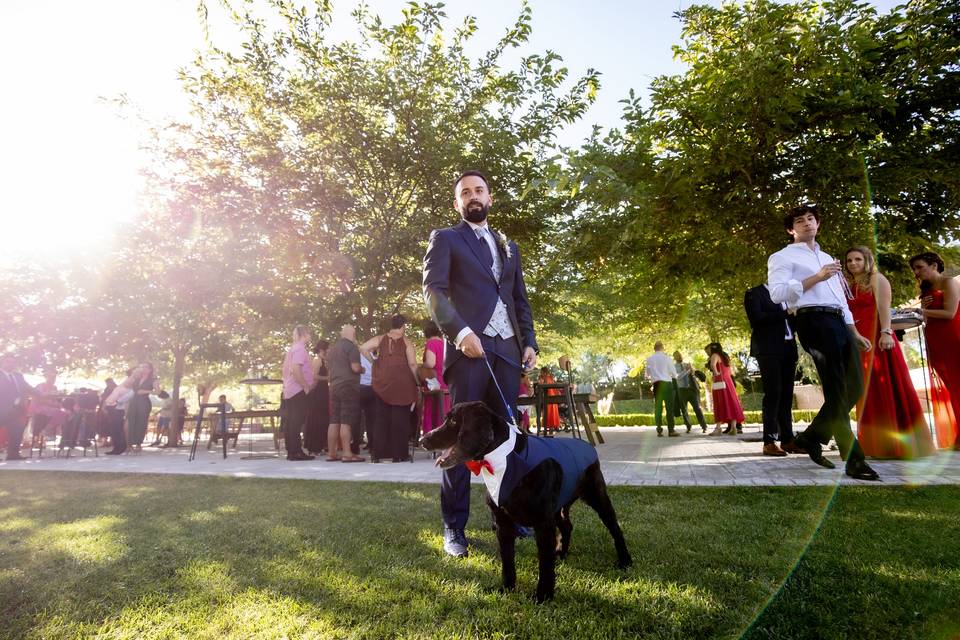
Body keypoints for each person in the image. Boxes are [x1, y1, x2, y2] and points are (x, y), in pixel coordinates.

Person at [423, 169, 538, 558]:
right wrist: (459, 333)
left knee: (506, 440)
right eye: (465, 193)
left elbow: (519, 301)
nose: (473, 196)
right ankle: (454, 527)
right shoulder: (446, 239)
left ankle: (510, 514)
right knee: (461, 440)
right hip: (469, 351)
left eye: (479, 190)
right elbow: (434, 291)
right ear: (457, 203)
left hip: (506, 352)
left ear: (490, 197)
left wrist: (529, 343)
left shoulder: (510, 246)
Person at [768, 203, 879, 480]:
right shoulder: (782, 257)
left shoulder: (827, 256)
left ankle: (811, 437)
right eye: (800, 220)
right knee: (836, 389)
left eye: (811, 218)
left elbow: (840, 298)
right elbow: (777, 293)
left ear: (818, 224)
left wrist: (853, 331)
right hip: (813, 321)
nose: (807, 223)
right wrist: (816, 277)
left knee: (854, 386)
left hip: (839, 322)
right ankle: (854, 460)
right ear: (791, 229)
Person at [845, 246, 933, 458]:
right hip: (859, 341)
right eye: (849, 261)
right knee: (867, 389)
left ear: (867, 260)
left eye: (858, 259)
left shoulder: (877, 279)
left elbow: (884, 308)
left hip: (878, 336)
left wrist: (885, 333)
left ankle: (899, 444)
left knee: (886, 387)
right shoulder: (850, 285)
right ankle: (876, 444)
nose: (853, 263)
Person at [744, 283, 803, 456]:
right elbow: (756, 318)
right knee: (773, 394)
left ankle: (787, 440)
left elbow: (792, 321)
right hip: (768, 349)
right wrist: (786, 312)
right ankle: (769, 441)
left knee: (786, 395)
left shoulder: (788, 295)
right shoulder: (754, 293)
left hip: (788, 348)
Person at [910, 251, 960, 450]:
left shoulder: (948, 283)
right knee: (951, 389)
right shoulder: (926, 290)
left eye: (919, 267)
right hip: (935, 341)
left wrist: (921, 310)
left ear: (934, 265)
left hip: (954, 338)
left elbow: (949, 313)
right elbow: (927, 319)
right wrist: (922, 311)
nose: (916, 272)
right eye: (914, 269)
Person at [360, 314, 420, 463]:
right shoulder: (406, 342)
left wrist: (375, 362)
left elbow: (362, 347)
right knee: (400, 419)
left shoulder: (380, 339)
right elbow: (413, 364)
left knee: (381, 418)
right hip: (402, 384)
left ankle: (377, 454)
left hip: (383, 383)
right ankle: (399, 455)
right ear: (403, 326)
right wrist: (418, 382)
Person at [327, 324, 365, 462]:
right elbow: (355, 368)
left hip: (334, 387)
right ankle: (347, 453)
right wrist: (362, 369)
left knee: (334, 420)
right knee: (346, 420)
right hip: (348, 386)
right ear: (353, 335)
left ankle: (331, 453)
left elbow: (329, 371)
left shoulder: (332, 350)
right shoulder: (352, 347)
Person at [281, 325, 316, 461]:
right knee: (296, 421)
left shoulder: (292, 349)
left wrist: (285, 387)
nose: (310, 336)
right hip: (298, 390)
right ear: (304, 334)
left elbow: (285, 370)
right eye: (309, 333)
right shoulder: (300, 348)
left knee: (291, 421)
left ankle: (291, 451)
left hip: (290, 390)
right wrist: (306, 387)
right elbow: (296, 369)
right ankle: (296, 452)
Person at [0, 352, 38, 461]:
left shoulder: (18, 376)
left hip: (16, 410)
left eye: (13, 362)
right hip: (1, 409)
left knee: (17, 431)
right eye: (8, 362)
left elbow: (28, 388)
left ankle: (13, 454)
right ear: (2, 362)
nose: (11, 364)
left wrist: (44, 395)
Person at [704, 343, 745, 436]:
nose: (708, 352)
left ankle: (718, 428)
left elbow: (713, 365)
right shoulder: (724, 357)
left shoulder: (715, 355)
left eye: (708, 350)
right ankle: (734, 427)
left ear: (712, 349)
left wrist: (716, 373)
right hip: (728, 381)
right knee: (731, 403)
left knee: (720, 403)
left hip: (720, 382)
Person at [421, 320, 451, 435]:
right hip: (445, 381)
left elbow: (431, 363)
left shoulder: (431, 343)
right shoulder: (445, 344)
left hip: (434, 382)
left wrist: (421, 365)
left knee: (431, 410)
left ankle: (430, 438)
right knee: (445, 411)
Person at [645, 342, 679, 437]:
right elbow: (674, 373)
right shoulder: (667, 358)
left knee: (658, 408)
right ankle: (671, 430)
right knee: (669, 408)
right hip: (667, 384)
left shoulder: (649, 359)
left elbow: (647, 374)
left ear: (654, 349)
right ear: (662, 348)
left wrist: (654, 376)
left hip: (657, 385)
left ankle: (659, 430)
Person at [304, 339, 330, 456]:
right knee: (317, 419)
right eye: (327, 348)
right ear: (322, 349)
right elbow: (313, 376)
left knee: (323, 419)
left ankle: (321, 444)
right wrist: (327, 378)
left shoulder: (324, 361)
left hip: (324, 391)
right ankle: (314, 446)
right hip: (318, 392)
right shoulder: (317, 360)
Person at [673, 351, 708, 433]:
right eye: (677, 356)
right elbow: (678, 377)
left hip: (692, 390)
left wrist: (692, 370)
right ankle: (688, 426)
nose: (680, 356)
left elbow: (693, 374)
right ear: (674, 357)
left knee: (697, 408)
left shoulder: (687, 364)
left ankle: (704, 426)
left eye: (680, 355)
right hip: (682, 390)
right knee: (684, 410)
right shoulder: (673, 367)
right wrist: (686, 371)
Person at [126, 363, 159, 451]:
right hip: (133, 401)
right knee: (131, 421)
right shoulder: (136, 377)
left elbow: (157, 391)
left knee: (141, 422)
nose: (142, 368)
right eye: (141, 366)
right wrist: (133, 375)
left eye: (145, 367)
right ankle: (129, 443)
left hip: (144, 402)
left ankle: (138, 443)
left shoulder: (153, 379)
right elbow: (126, 386)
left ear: (150, 370)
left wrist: (146, 391)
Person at [357, 352, 376, 453]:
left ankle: (355, 443)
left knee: (357, 417)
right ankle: (372, 443)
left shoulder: (357, 355)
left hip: (360, 386)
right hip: (371, 387)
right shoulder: (375, 357)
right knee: (371, 418)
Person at [537, 367, 562, 432]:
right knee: (552, 412)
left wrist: (540, 380)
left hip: (548, 395)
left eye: (541, 372)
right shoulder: (551, 377)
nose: (540, 373)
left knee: (548, 412)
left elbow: (542, 386)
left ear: (544, 372)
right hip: (552, 395)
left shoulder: (546, 378)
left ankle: (550, 427)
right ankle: (552, 427)